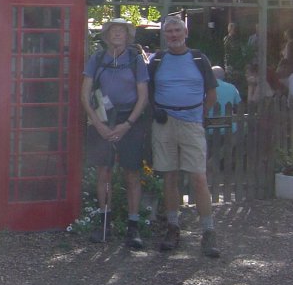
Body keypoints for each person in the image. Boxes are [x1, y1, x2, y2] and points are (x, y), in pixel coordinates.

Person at [148, 16, 220, 257]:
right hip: (164, 123)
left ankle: (208, 231)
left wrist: (199, 115)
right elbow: (147, 90)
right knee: (169, 176)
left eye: (177, 30)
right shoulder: (157, 60)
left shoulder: (199, 59)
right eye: (169, 31)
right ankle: (173, 227)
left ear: (186, 33)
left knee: (198, 177)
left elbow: (211, 94)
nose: (174, 35)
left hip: (191, 123)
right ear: (164, 35)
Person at [80, 18, 149, 248]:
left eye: (122, 31)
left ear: (128, 37)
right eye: (113, 31)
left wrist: (127, 124)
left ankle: (133, 226)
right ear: (107, 36)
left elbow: (143, 96)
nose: (117, 34)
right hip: (102, 118)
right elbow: (84, 95)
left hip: (129, 120)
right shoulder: (97, 59)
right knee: (104, 172)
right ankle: (104, 223)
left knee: (132, 173)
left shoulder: (136, 60)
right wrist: (98, 124)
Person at [209, 66, 241, 134]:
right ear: (223, 76)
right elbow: (240, 106)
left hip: (209, 128)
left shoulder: (206, 87)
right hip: (229, 128)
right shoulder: (232, 87)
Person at [222, 22, 244, 87]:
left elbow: (240, 49)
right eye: (233, 29)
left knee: (236, 79)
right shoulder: (226, 39)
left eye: (235, 29)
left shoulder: (237, 39)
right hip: (229, 61)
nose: (234, 30)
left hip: (237, 61)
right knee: (229, 78)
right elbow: (226, 49)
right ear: (230, 29)